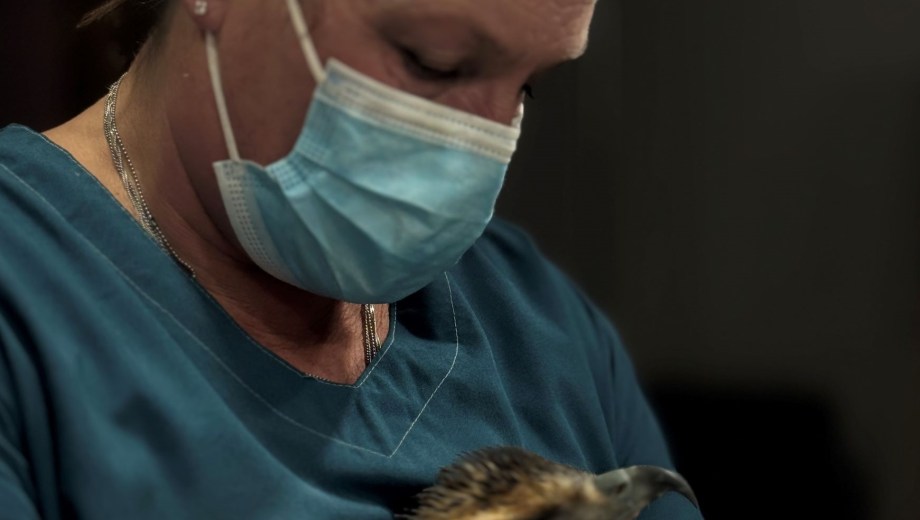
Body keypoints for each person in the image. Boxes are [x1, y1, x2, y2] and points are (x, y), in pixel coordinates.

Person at [0, 0, 703, 518]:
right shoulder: (28, 297)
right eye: (434, 61)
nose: (477, 144)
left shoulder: (542, 329)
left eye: (527, 87)